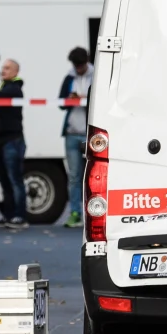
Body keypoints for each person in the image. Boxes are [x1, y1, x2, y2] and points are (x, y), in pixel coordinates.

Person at [0, 58, 27, 229]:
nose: (3, 70)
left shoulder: (14, 89)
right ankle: (9, 215)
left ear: (16, 72)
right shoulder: (4, 88)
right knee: (4, 181)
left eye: (8, 68)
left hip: (12, 141)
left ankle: (20, 216)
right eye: (3, 68)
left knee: (15, 180)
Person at [60, 47, 94, 229]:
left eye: (80, 65)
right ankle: (75, 213)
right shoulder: (69, 77)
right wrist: (70, 98)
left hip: (90, 133)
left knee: (94, 176)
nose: (78, 69)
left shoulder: (96, 75)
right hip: (72, 132)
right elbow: (61, 102)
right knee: (74, 176)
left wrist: (84, 98)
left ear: (86, 62)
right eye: (76, 66)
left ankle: (94, 213)